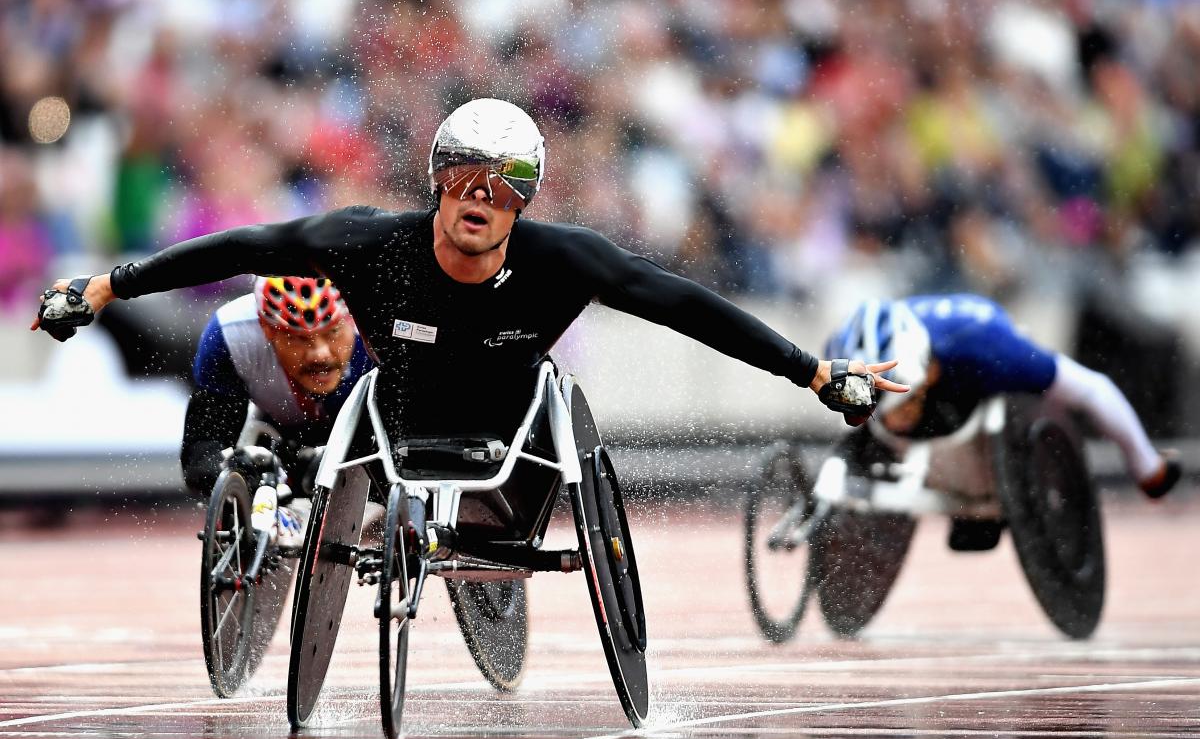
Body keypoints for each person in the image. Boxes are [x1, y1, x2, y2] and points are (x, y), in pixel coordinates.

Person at [32, 98, 904, 476]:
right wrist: (110, 286)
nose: (484, 196)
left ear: (527, 196)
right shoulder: (366, 243)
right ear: (440, 180)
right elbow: (244, 245)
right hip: (388, 422)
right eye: (467, 175)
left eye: (508, 182)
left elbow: (685, 305)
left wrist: (812, 373)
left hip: (512, 431)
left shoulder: (570, 260)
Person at [824, 295, 1182, 498]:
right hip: (925, 345)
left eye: (903, 404)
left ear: (928, 373)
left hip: (975, 353)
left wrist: (1146, 468)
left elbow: (1094, 389)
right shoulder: (845, 349)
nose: (896, 420)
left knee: (1041, 395)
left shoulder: (987, 349)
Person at [183, 275, 374, 545]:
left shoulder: (381, 327)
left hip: (367, 438)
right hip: (283, 440)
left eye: (331, 332)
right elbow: (199, 458)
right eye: (299, 338)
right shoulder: (231, 334)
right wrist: (236, 475)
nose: (320, 354)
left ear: (352, 319)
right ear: (267, 329)